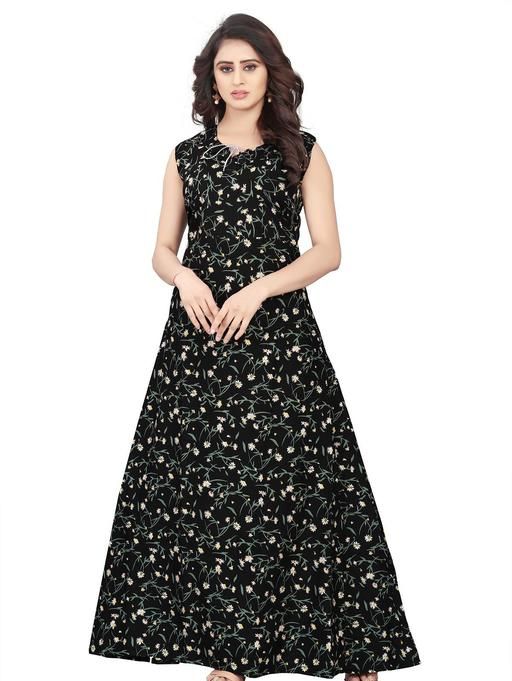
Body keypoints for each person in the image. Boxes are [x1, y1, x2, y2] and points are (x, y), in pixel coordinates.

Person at [88, 13, 421, 681]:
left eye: (249, 66)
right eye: (225, 68)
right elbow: (161, 248)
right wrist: (184, 276)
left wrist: (260, 289)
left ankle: (354, 650)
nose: (237, 79)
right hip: (202, 339)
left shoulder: (303, 151)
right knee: (208, 492)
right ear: (209, 80)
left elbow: (328, 251)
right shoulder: (186, 156)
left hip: (280, 342)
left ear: (271, 73)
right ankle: (230, 654)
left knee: (306, 485)